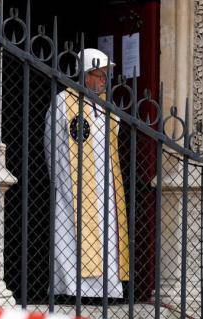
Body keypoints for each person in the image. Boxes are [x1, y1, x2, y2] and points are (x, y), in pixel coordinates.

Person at [44, 48, 129, 298]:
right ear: (85, 75)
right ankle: (71, 290)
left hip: (105, 186)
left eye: (106, 76)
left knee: (107, 235)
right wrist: (60, 178)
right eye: (99, 74)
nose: (104, 80)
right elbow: (51, 143)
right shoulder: (63, 101)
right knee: (70, 234)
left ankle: (106, 290)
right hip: (73, 183)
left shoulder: (106, 107)